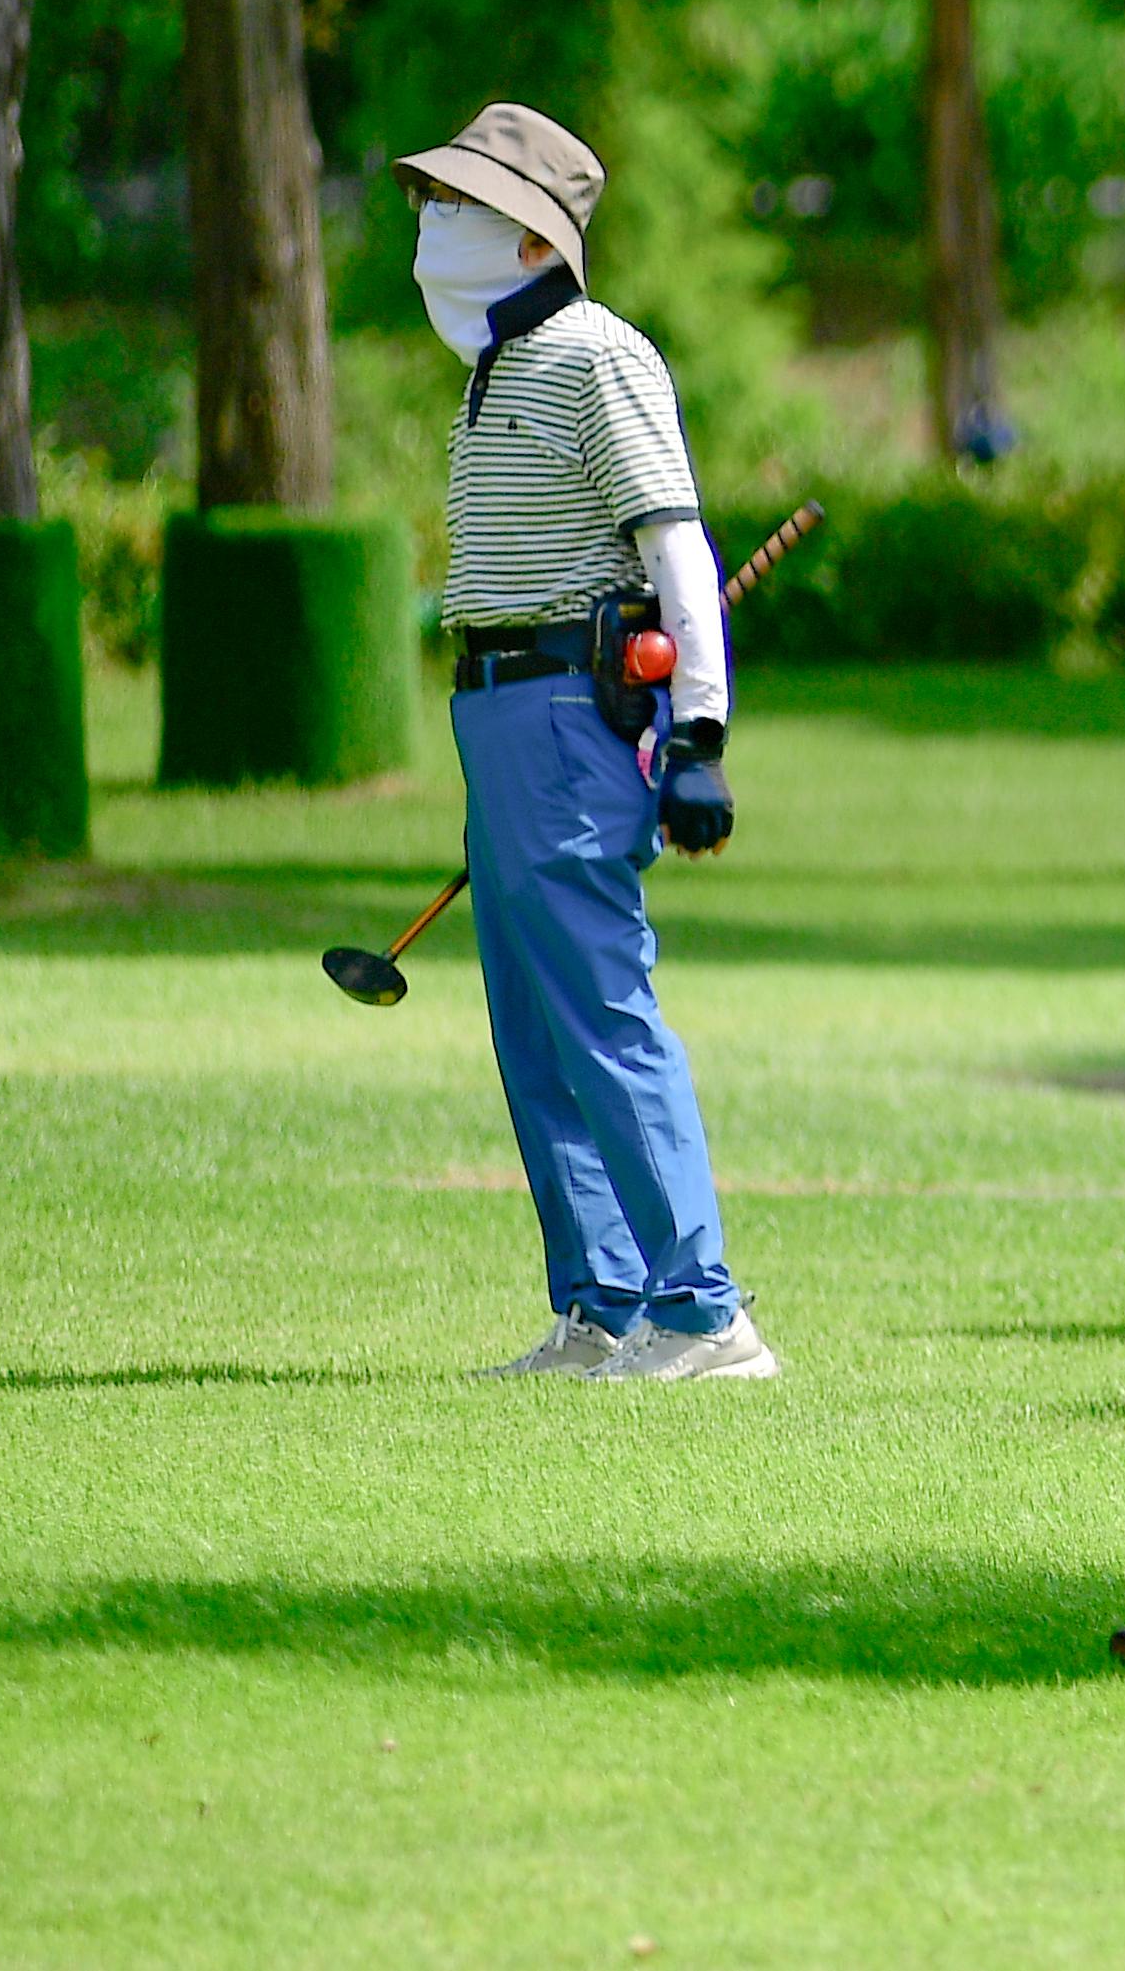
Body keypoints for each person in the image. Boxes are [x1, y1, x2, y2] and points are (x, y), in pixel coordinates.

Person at [402, 102, 769, 1384]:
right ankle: (604, 1302)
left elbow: (676, 546)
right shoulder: (498, 366)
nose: (429, 223)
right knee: (532, 1022)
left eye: (456, 205)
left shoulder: (601, 354)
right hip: (499, 713)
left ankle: (702, 1310)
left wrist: (703, 731)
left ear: (528, 242)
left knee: (601, 1011)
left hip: (567, 712)